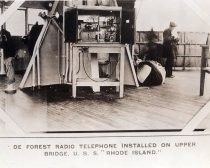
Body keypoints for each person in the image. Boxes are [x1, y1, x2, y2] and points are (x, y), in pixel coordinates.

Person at [0, 29, 16, 93]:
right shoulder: (9, 40)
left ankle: (10, 85)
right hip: (10, 57)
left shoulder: (6, 40)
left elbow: (2, 45)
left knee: (9, 71)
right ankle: (10, 85)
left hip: (9, 58)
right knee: (9, 71)